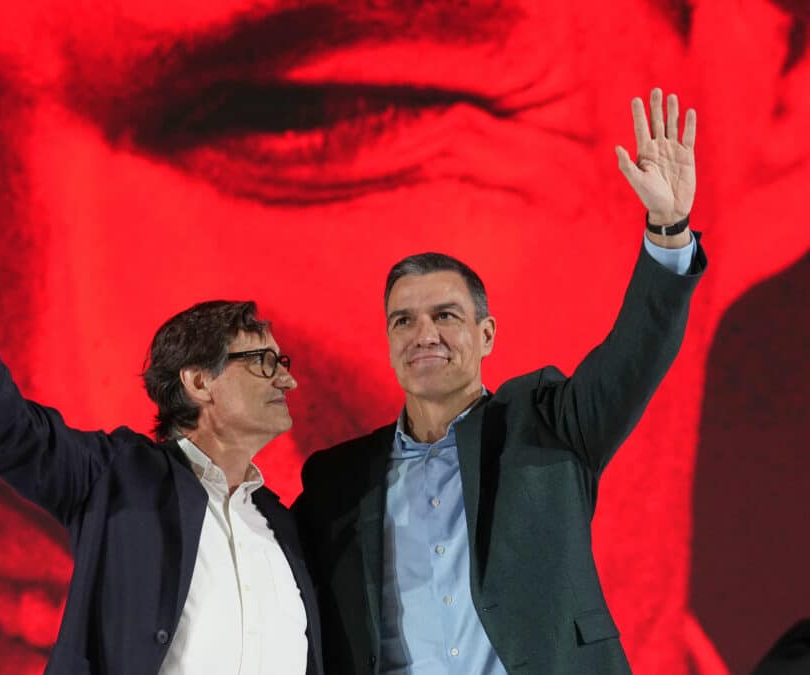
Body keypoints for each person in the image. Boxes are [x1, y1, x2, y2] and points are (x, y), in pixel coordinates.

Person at [0, 0, 810, 672]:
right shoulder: (202, 490)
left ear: (771, 93)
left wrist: (665, 239)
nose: (88, 360)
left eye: (324, 117)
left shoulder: (492, 451)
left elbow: (625, 371)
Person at [294, 89, 705, 674]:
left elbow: (633, 356)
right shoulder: (339, 482)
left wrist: (669, 231)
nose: (424, 334)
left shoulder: (548, 427)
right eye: (403, 320)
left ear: (486, 335)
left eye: (446, 316)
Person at [0, 187, 322, 674]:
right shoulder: (115, 477)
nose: (286, 378)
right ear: (201, 381)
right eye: (264, 362)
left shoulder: (280, 525)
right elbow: (6, 431)